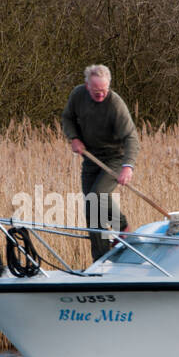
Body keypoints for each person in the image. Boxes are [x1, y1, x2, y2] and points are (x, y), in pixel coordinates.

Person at [61, 64, 139, 260]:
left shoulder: (115, 104)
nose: (101, 95)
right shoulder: (78, 95)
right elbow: (67, 118)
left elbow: (131, 137)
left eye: (104, 91)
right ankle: (101, 259)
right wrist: (74, 138)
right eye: (97, 92)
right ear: (87, 86)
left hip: (114, 157)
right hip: (90, 157)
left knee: (98, 195)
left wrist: (127, 167)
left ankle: (122, 226)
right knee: (91, 208)